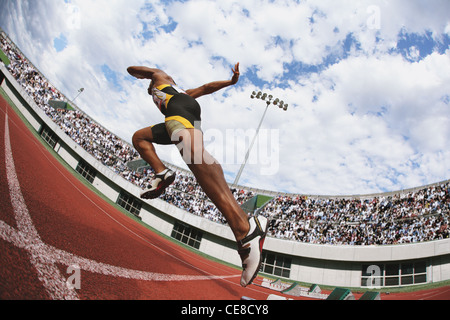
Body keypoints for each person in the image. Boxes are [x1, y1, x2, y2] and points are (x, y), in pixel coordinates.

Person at [127, 63, 268, 287]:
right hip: (182, 112)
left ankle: (245, 229)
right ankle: (162, 173)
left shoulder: (160, 79)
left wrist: (145, 77)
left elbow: (132, 69)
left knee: (194, 156)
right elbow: (206, 87)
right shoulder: (182, 92)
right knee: (139, 138)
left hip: (178, 112)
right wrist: (230, 82)